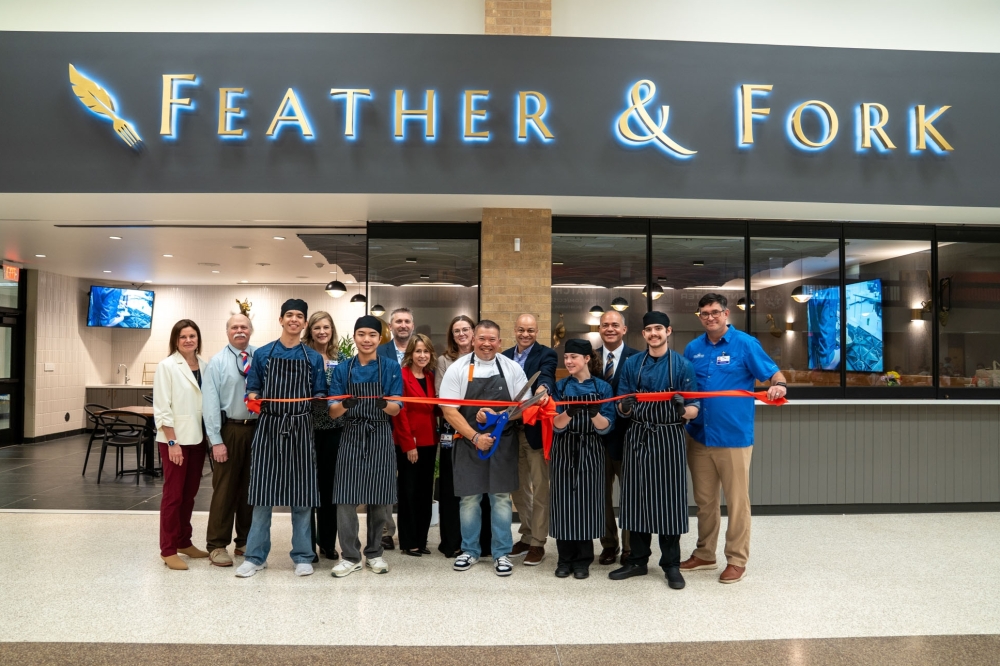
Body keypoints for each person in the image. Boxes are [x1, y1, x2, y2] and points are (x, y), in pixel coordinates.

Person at [681, 293, 787, 584]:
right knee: (704, 501)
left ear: (726, 314)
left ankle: (737, 559)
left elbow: (774, 375)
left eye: (715, 312)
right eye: (704, 313)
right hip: (699, 435)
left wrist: (779, 387)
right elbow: (686, 387)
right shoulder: (693, 348)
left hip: (732, 437)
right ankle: (705, 553)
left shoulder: (745, 344)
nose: (710, 317)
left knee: (738, 501)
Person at [439, 320, 539, 577]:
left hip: (503, 443)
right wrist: (474, 437)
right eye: (482, 338)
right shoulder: (459, 368)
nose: (486, 344)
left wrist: (500, 416)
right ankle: (469, 551)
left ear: (500, 342)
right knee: (470, 499)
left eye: (492, 339)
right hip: (468, 442)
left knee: (501, 500)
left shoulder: (511, 368)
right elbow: (448, 409)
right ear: (473, 339)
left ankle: (502, 553)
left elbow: (525, 406)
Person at [236, 299, 327, 579]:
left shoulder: (313, 358)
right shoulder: (263, 354)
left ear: (304, 323)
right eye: (289, 315)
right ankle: (255, 556)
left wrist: (320, 403)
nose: (294, 320)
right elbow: (252, 390)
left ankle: (302, 556)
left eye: (299, 316)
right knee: (263, 496)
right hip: (269, 428)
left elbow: (320, 395)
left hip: (300, 428)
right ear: (281, 319)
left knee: (302, 497)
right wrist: (253, 400)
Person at [610, 311, 699, 590]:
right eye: (648, 329)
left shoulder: (682, 366)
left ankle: (671, 564)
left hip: (670, 437)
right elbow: (620, 408)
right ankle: (637, 561)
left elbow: (696, 408)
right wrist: (626, 403)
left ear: (668, 332)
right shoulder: (632, 364)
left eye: (658, 328)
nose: (653, 333)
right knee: (636, 500)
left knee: (669, 502)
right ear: (644, 334)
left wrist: (681, 410)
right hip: (637, 434)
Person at [327, 316, 404, 577]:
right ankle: (350, 556)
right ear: (355, 336)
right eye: (361, 334)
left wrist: (383, 403)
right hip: (351, 434)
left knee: (380, 499)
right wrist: (346, 404)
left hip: (380, 433)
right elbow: (333, 413)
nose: (367, 339)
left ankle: (374, 554)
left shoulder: (392, 368)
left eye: (372, 334)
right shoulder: (342, 369)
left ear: (379, 337)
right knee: (346, 498)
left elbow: (396, 410)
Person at [550, 339, 616, 579]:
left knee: (588, 504)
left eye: (573, 357)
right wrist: (569, 412)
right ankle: (563, 559)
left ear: (587, 358)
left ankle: (583, 560)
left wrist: (593, 413)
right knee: (563, 504)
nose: (568, 361)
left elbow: (606, 427)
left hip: (592, 448)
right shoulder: (559, 387)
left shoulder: (604, 388)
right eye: (566, 357)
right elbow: (555, 425)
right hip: (564, 447)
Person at [153, 319, 210, 571]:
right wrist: (172, 442)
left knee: (189, 495)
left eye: (192, 336)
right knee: (173, 496)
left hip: (197, 439)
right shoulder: (167, 366)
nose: (188, 340)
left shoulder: (205, 366)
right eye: (183, 336)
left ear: (198, 339)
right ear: (176, 340)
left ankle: (184, 541)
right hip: (174, 441)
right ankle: (167, 549)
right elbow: (162, 408)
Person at [502, 313, 557, 566]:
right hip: (510, 432)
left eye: (531, 330)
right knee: (518, 488)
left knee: (540, 488)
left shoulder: (547, 354)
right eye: (522, 329)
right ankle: (525, 534)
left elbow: (546, 376)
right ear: (515, 329)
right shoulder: (503, 356)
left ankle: (538, 542)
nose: (526, 334)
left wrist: (542, 390)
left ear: (537, 331)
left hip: (533, 431)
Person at [202, 314, 257, 567]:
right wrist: (216, 441)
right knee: (225, 489)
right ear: (227, 332)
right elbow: (210, 404)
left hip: (257, 429)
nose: (239, 331)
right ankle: (216, 544)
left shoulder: (260, 357)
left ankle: (244, 541)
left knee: (251, 488)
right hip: (230, 430)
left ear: (251, 330)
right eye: (234, 327)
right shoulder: (218, 362)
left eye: (244, 327)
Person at [434, 314, 486, 558]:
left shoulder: (486, 359)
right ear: (452, 336)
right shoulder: (444, 361)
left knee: (482, 487)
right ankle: (453, 542)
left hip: (483, 428)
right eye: (457, 331)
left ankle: (483, 544)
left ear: (474, 332)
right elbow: (443, 396)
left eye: (466, 329)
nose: (462, 334)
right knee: (451, 487)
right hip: (452, 429)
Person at [595, 309, 641, 565]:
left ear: (624, 329)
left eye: (615, 325)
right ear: (599, 330)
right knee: (601, 496)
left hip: (628, 438)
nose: (609, 328)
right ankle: (608, 544)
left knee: (630, 495)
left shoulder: (638, 358)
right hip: (597, 440)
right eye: (605, 325)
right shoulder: (588, 359)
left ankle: (630, 547)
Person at [303, 311, 345, 562]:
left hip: (334, 429)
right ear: (311, 331)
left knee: (330, 489)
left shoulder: (341, 358)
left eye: (326, 327)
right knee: (308, 488)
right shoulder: (302, 356)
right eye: (317, 327)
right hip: (306, 430)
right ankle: (307, 545)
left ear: (332, 330)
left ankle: (327, 543)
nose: (322, 332)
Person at [393, 333, 439, 557]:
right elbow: (400, 413)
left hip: (429, 441)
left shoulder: (430, 376)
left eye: (426, 351)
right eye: (418, 351)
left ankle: (421, 539)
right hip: (410, 442)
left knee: (424, 493)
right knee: (408, 492)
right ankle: (408, 541)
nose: (422, 355)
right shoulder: (401, 376)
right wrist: (408, 443)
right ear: (410, 354)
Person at [377, 307, 414, 549]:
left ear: (413, 326)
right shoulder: (379, 352)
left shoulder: (421, 351)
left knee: (410, 481)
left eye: (407, 321)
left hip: (413, 427)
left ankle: (411, 530)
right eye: (398, 321)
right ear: (391, 326)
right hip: (385, 425)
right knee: (386, 480)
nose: (403, 325)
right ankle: (385, 531)